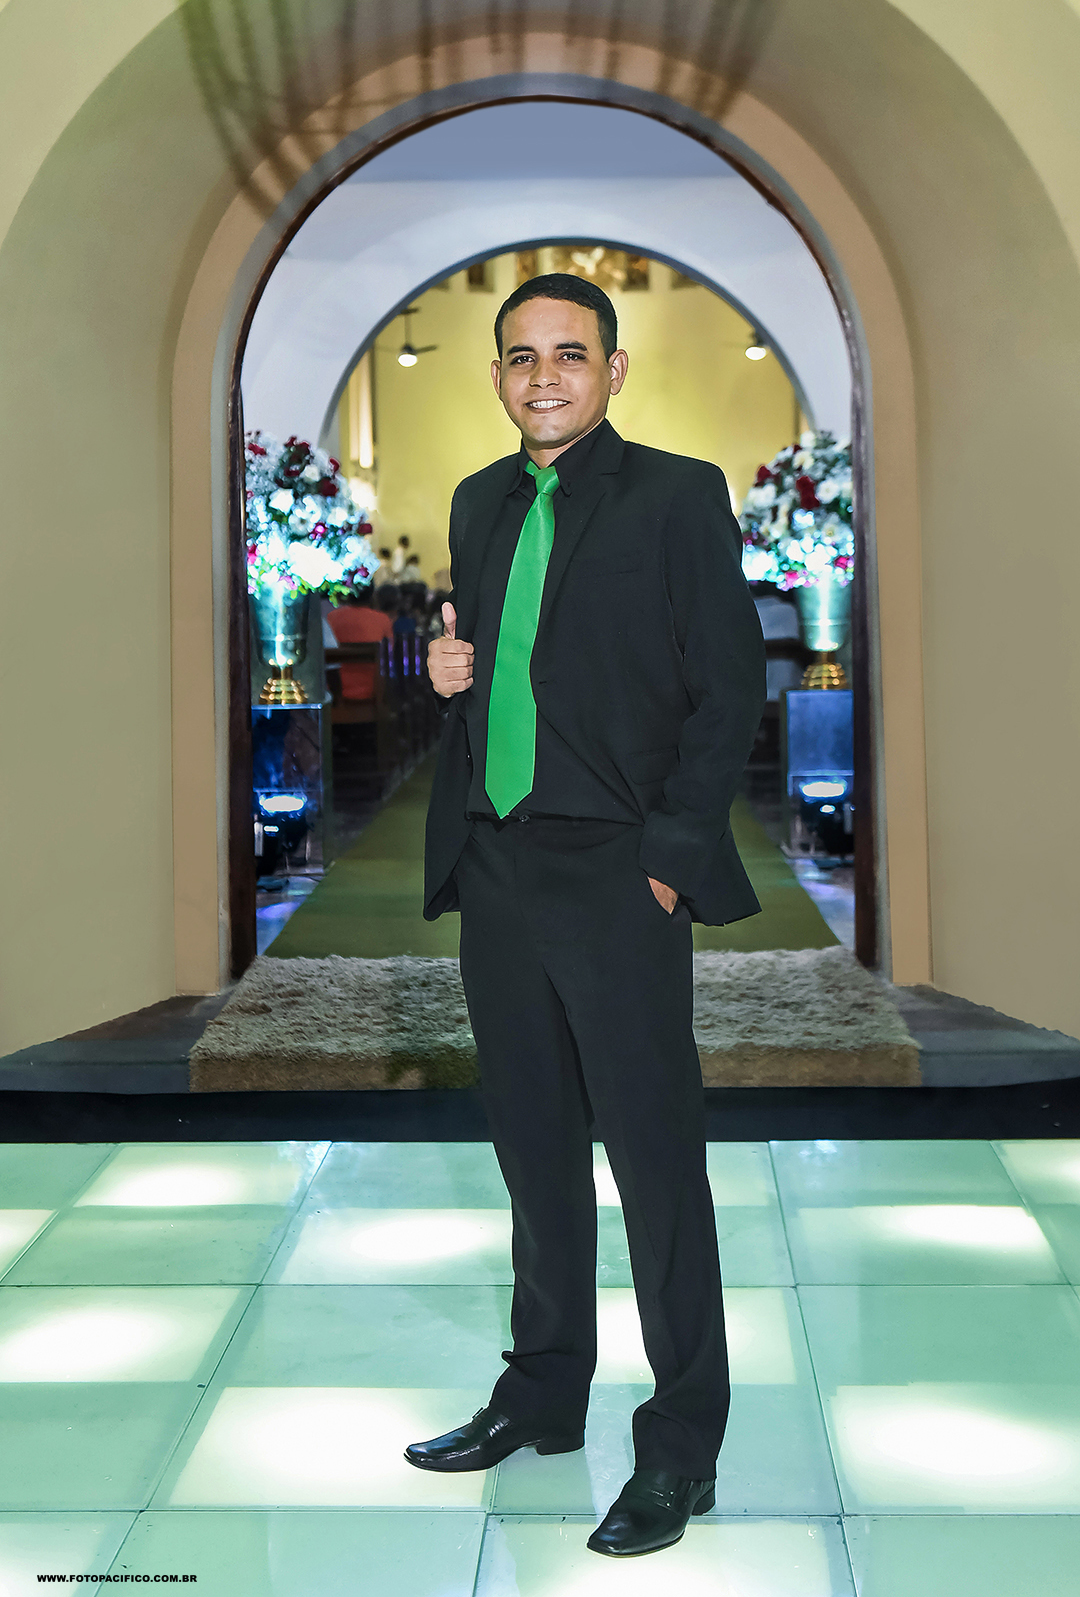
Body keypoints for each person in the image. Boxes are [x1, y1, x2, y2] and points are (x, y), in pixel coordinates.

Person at [410, 273, 765, 1559]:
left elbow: (729, 687)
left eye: (569, 354)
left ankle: (681, 1443)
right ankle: (545, 1392)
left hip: (619, 869)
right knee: (533, 1147)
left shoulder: (676, 495)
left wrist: (669, 858)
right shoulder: (479, 500)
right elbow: (503, 664)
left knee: (655, 1161)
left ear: (613, 371)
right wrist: (448, 674)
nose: (543, 375)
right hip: (498, 860)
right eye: (522, 356)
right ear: (498, 376)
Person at [326, 583, 392, 701]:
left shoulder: (331, 618)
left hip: (335, 694)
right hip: (373, 693)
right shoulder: (382, 620)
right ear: (372, 595)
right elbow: (390, 654)